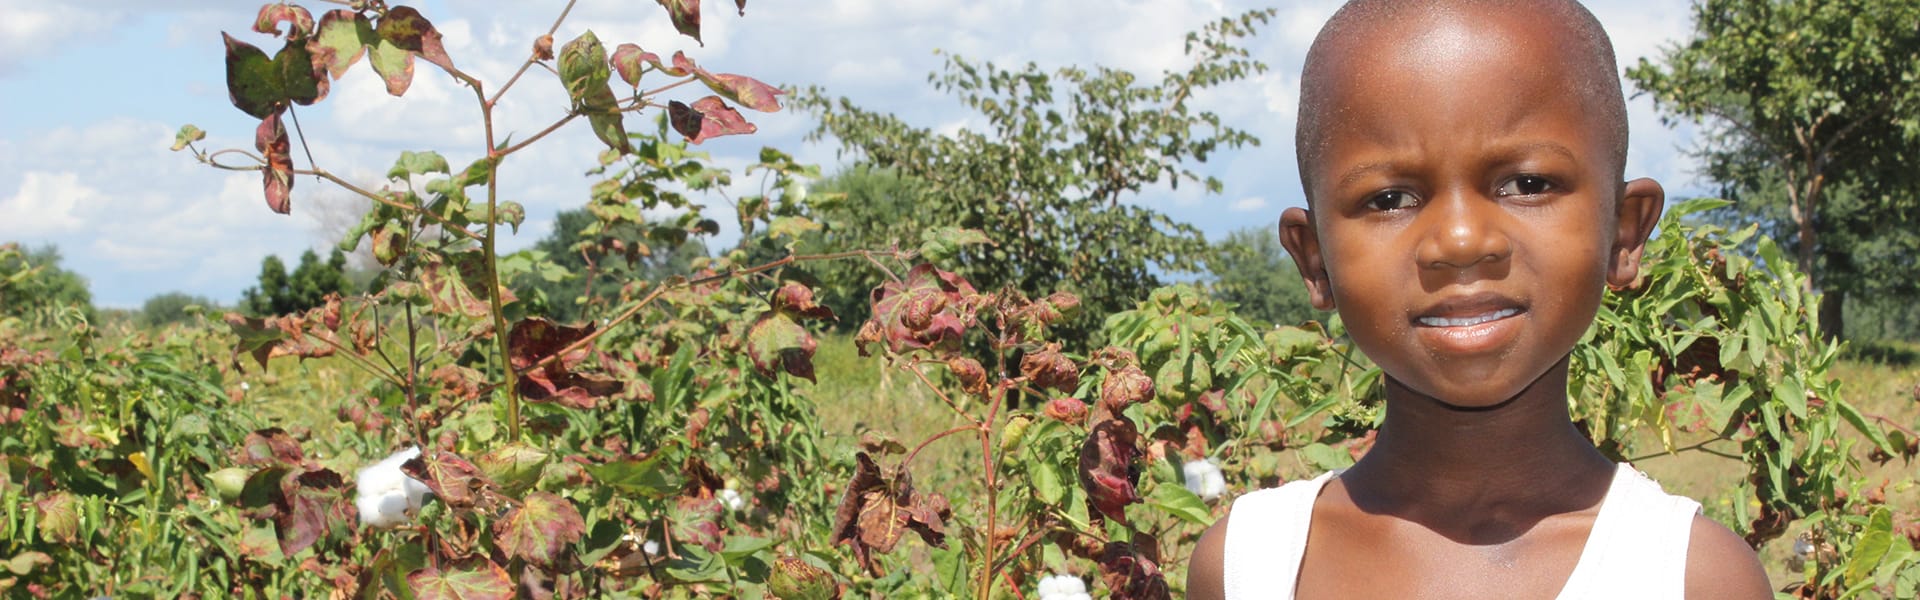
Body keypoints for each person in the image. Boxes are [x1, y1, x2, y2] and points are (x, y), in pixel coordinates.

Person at [1184, 1, 1773, 597]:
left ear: (1624, 229)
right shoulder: (1249, 566)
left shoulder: (1689, 576)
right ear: (1315, 258)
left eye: (1528, 184)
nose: (1461, 241)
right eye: (1390, 199)